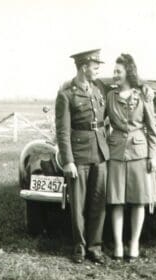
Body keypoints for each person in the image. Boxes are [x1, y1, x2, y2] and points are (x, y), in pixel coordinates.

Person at [55, 49, 109, 264]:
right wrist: (68, 160)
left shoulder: (97, 90)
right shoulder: (66, 94)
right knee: (78, 204)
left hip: (100, 153)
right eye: (95, 67)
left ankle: (95, 247)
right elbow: (63, 131)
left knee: (98, 202)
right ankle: (79, 246)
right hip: (78, 155)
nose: (97, 70)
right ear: (84, 67)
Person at [106, 53, 156, 260]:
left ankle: (134, 243)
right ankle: (118, 245)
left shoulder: (144, 95)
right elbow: (99, 122)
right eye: (114, 71)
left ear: (128, 72)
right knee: (116, 201)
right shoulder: (110, 96)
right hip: (116, 152)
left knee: (138, 202)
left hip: (139, 153)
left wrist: (152, 156)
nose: (114, 75)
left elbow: (152, 130)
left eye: (118, 71)